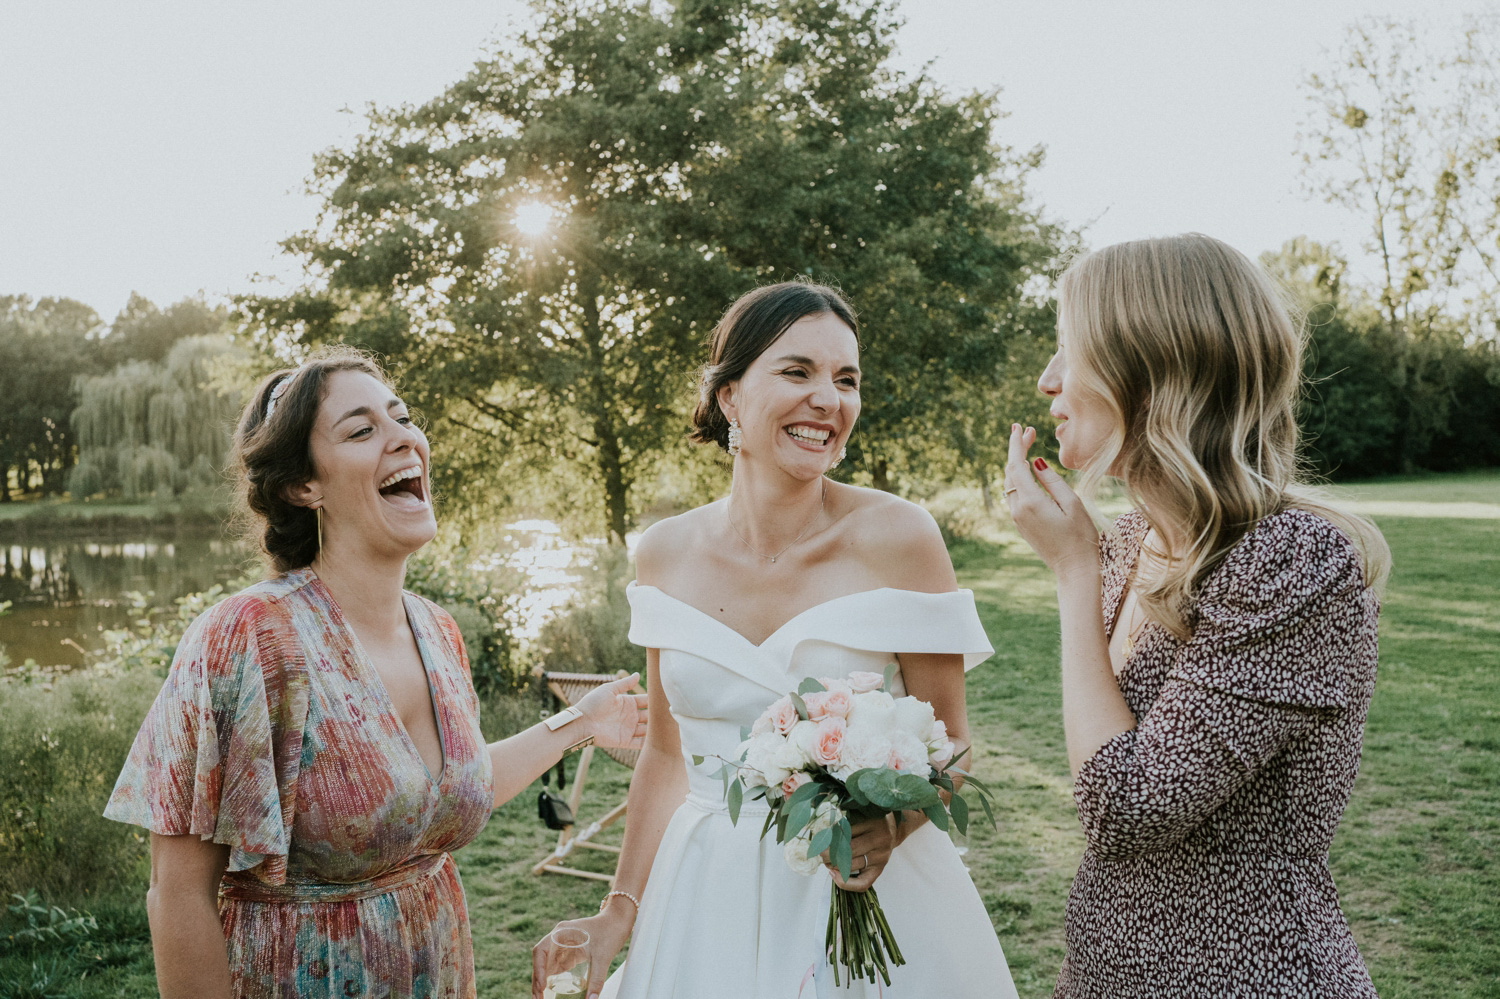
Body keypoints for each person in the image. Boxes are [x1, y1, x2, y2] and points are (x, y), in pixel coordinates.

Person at [104, 347, 647, 999]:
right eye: (362, 429)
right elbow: (178, 893)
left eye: (403, 416)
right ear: (304, 486)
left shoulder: (438, 631)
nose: (405, 438)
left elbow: (441, 794)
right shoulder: (251, 635)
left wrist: (579, 723)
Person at [532, 282, 1018, 999]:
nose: (829, 398)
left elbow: (954, 743)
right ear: (729, 396)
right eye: (798, 371)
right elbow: (667, 754)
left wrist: (894, 822)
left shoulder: (900, 537)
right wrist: (617, 912)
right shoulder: (663, 553)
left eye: (845, 379)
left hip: (863, 890)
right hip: (704, 896)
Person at [1004, 233, 1390, 998]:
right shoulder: (1125, 544)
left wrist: (1071, 571)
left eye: (1067, 350)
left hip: (1242, 975)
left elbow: (1126, 810)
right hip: (1106, 970)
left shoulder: (1291, 561)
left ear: (1150, 367)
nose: (1048, 380)